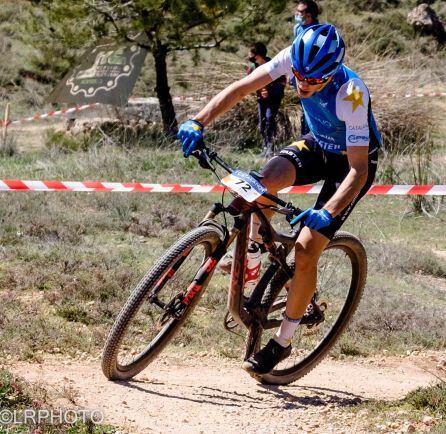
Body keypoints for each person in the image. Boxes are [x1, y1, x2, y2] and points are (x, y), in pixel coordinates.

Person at [177, 24, 381, 376]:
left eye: (312, 81)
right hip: (317, 145)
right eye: (298, 76)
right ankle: (255, 254)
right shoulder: (292, 58)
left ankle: (283, 341)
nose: (302, 85)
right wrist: (198, 120)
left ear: (331, 74)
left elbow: (359, 170)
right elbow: (242, 88)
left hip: (351, 163)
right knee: (259, 184)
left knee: (306, 248)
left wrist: (326, 213)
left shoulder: (352, 93)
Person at [247, 42, 286, 157]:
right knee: (262, 123)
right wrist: (259, 91)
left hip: (274, 98)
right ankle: (265, 146)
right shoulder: (252, 68)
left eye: (252, 55)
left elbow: (282, 82)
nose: (250, 57)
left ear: (258, 55)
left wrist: (270, 91)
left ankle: (272, 147)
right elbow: (249, 82)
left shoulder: (273, 64)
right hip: (261, 100)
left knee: (270, 119)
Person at [293, 0, 321, 136]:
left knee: (314, 110)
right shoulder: (297, 28)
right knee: (304, 108)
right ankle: (304, 139)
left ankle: (314, 138)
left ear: (309, 15)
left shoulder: (319, 31)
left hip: (313, 79)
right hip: (299, 77)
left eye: (300, 12)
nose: (297, 14)